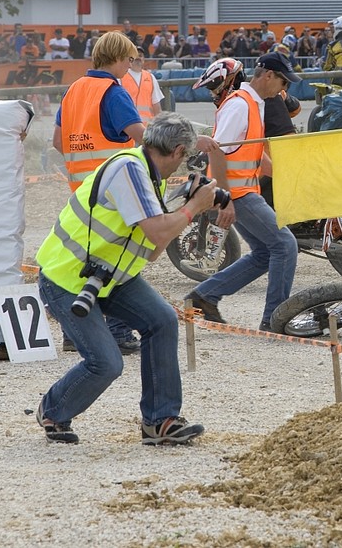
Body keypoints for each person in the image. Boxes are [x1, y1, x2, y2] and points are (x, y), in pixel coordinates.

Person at [34, 111, 220, 445]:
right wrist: (193, 208)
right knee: (106, 363)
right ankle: (53, 410)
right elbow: (158, 230)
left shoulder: (149, 176)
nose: (186, 163)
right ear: (178, 151)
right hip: (66, 277)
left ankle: (160, 422)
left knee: (162, 321)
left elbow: (152, 249)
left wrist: (186, 206)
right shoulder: (130, 170)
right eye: (187, 156)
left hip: (108, 276)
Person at [184, 53, 300, 331]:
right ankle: (274, 321)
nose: (283, 89)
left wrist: (287, 175)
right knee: (285, 245)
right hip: (236, 193)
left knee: (264, 252)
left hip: (243, 190)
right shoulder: (240, 105)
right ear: (268, 75)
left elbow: (251, 153)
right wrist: (224, 200)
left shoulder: (253, 103)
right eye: (283, 81)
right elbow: (217, 151)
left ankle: (203, 297)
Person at [52, 30, 146, 354]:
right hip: (112, 190)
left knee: (83, 262)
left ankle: (73, 334)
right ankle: (119, 332)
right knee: (119, 260)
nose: (130, 66)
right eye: (130, 60)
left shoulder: (74, 89)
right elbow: (139, 134)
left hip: (79, 191)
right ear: (119, 58)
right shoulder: (113, 92)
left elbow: (56, 141)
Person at [122, 47, 164, 123]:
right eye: (135, 55)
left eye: (140, 55)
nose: (138, 57)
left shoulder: (150, 77)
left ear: (144, 59)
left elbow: (157, 107)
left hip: (148, 129)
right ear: (129, 59)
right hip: (128, 128)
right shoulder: (121, 77)